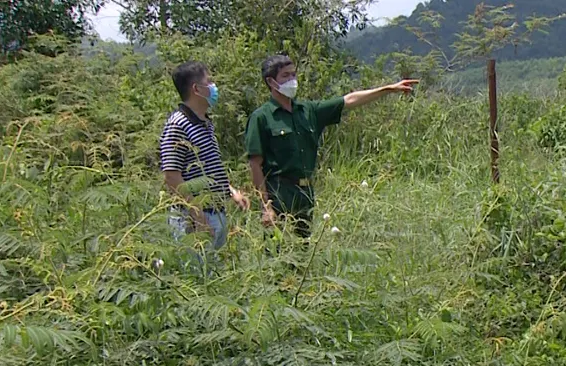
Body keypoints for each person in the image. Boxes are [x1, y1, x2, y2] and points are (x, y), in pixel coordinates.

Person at [245, 54, 418, 238]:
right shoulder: (262, 117)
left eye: (294, 74)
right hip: (279, 194)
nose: (292, 80)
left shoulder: (308, 111)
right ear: (271, 82)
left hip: (305, 194)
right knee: (278, 252)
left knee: (302, 253)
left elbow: (348, 100)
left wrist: (388, 89)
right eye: (286, 76)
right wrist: (266, 207)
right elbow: (255, 164)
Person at [159, 61, 250, 250]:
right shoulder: (178, 124)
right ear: (196, 89)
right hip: (193, 220)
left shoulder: (205, 123)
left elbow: (208, 168)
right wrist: (197, 215)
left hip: (214, 213)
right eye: (209, 82)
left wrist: (231, 192)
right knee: (197, 275)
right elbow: (172, 177)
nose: (213, 86)